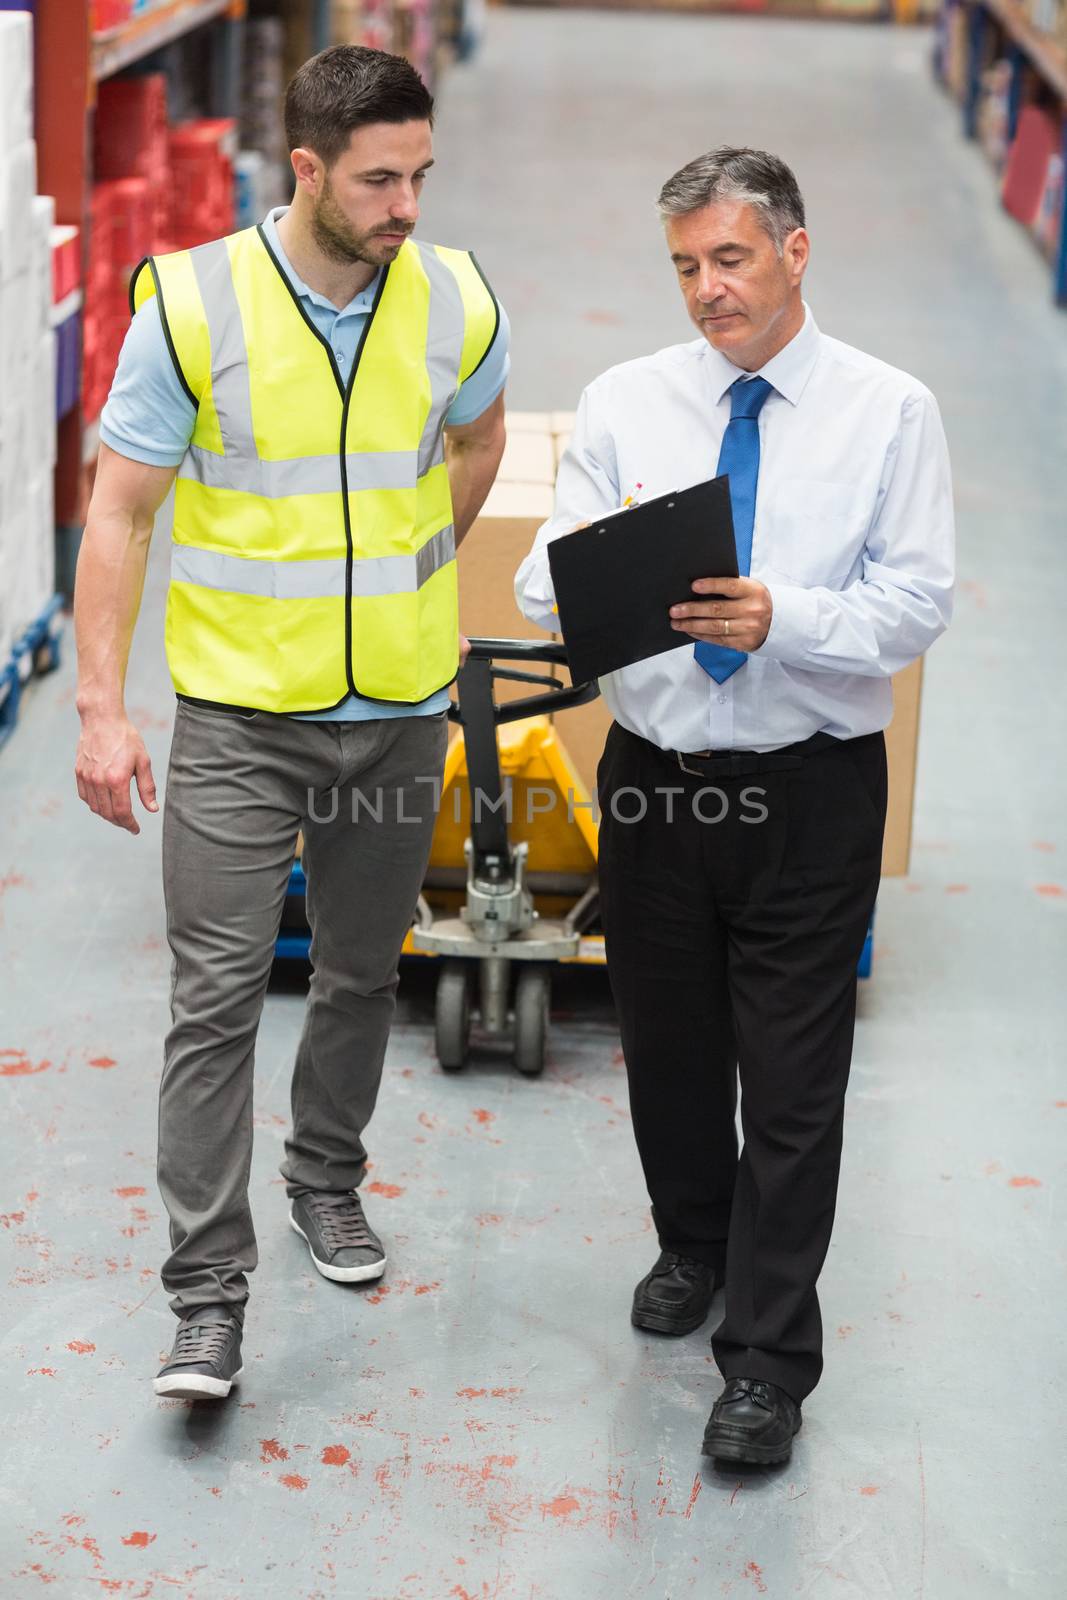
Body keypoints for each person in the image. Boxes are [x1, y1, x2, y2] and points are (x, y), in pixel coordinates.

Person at [73, 45, 509, 1401]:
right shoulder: (193, 305)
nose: (407, 208)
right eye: (380, 181)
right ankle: (206, 1297)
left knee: (365, 976)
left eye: (422, 176)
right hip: (241, 720)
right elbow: (121, 510)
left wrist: (408, 565)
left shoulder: (453, 297)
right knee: (213, 1003)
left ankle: (328, 1178)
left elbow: (482, 439)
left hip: (394, 714)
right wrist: (99, 707)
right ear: (308, 169)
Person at [515, 147, 953, 1465]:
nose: (708, 291)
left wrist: (784, 616)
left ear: (796, 249)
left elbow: (916, 601)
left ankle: (766, 1362)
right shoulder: (627, 401)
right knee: (672, 1049)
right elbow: (545, 579)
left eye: (732, 259)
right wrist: (614, 571)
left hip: (810, 790)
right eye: (687, 266)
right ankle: (693, 1244)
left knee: (797, 1084)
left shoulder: (890, 412)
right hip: (653, 783)